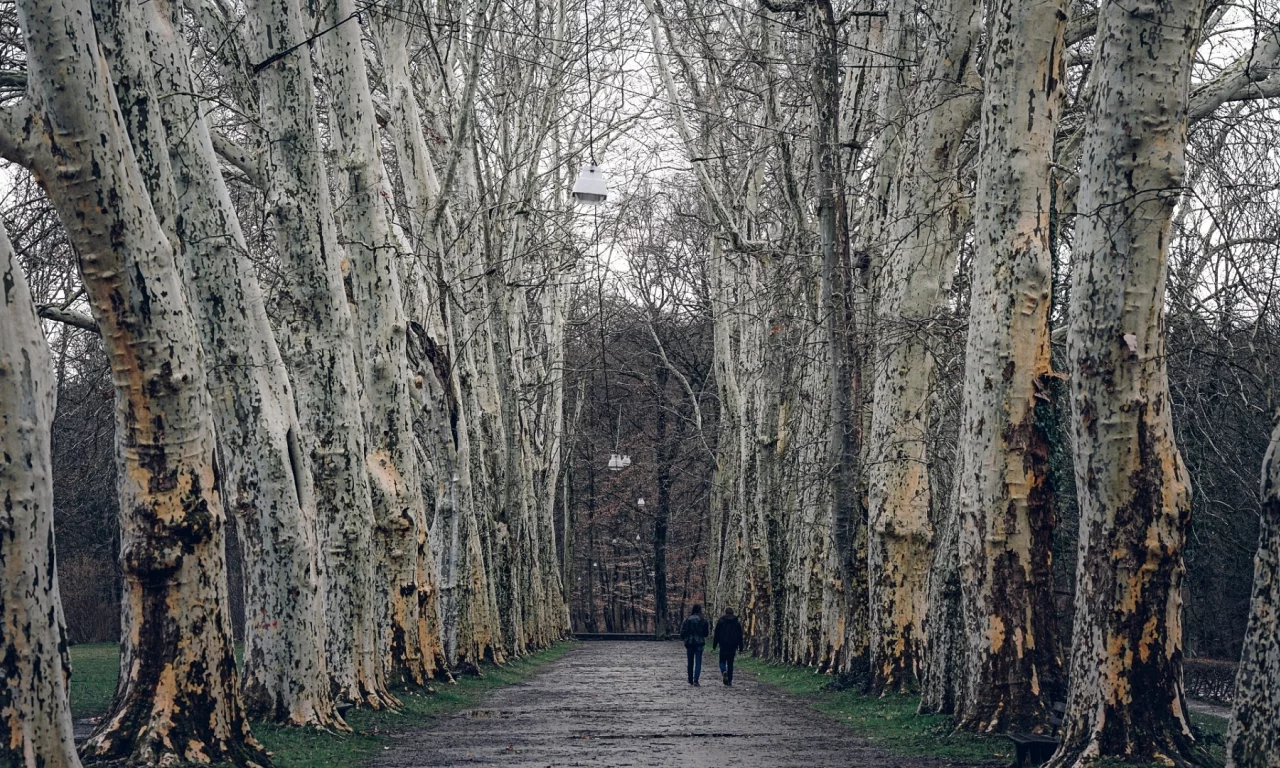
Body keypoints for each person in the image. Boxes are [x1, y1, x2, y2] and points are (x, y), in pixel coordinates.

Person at [712, 607, 745, 685]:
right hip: (733, 645)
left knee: (722, 661)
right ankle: (729, 680)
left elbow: (717, 634)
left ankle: (724, 671)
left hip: (723, 644)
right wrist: (741, 647)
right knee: (730, 663)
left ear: (725, 612)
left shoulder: (721, 621)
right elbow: (740, 635)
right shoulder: (736, 622)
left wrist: (714, 645)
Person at [679, 604, 710, 685]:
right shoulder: (703, 619)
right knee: (698, 662)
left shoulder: (687, 619)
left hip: (689, 643)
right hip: (699, 642)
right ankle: (696, 679)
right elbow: (706, 633)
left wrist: (685, 639)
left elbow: (682, 631)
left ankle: (690, 679)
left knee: (690, 661)